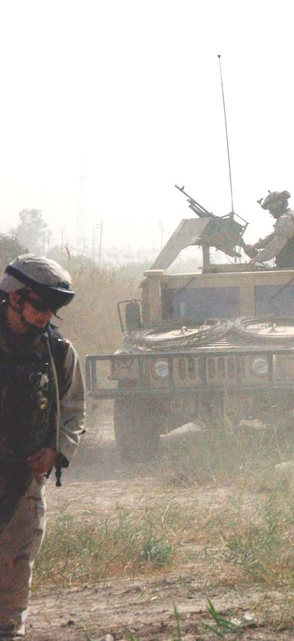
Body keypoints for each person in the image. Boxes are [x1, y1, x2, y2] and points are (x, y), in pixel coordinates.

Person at [0, 254, 85, 640]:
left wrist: (57, 451)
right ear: (14, 298)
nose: (44, 316)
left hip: (22, 477)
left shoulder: (58, 352)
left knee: (15, 567)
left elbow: (74, 410)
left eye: (51, 309)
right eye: (38, 305)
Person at [243, 190, 294, 268]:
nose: (270, 213)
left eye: (271, 209)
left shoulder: (287, 220)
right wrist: (255, 246)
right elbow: (273, 237)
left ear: (277, 206)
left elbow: (276, 245)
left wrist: (257, 259)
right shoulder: (292, 215)